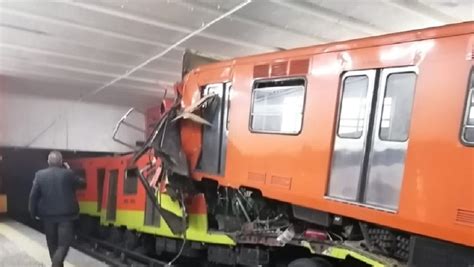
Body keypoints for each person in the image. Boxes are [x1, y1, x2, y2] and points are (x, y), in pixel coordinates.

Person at [28, 151, 85, 267]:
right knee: (63, 245)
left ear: (48, 162)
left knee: (52, 245)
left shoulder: (40, 175)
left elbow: (33, 196)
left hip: (48, 217)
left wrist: (32, 213)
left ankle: (55, 264)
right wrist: (69, 170)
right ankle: (56, 264)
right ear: (61, 162)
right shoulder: (68, 174)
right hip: (66, 217)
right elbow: (83, 184)